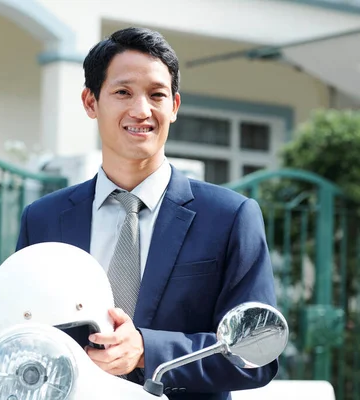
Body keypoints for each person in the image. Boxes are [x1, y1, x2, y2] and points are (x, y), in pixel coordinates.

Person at [15, 27, 278, 400]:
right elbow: (20, 335)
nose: (141, 110)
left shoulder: (230, 217)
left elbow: (256, 353)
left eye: (157, 95)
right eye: (123, 92)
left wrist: (146, 351)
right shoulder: (42, 218)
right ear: (91, 102)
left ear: (174, 106)